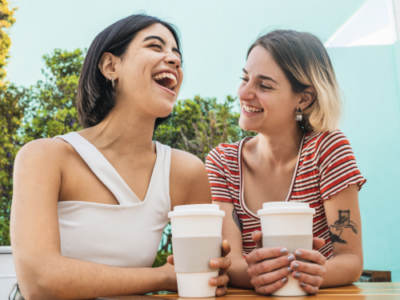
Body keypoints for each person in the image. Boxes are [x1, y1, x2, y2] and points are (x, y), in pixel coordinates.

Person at [11, 14, 230, 300]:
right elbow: (39, 281)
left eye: (177, 55)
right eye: (155, 46)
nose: (174, 60)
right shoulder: (44, 157)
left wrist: (211, 271)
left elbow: (201, 278)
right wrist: (163, 276)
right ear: (111, 66)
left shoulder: (185, 171)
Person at [206, 30, 365, 295]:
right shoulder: (222, 163)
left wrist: (313, 274)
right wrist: (256, 275)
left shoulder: (328, 150)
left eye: (264, 85)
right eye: (244, 79)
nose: (244, 94)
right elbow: (231, 262)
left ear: (304, 98)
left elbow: (351, 260)